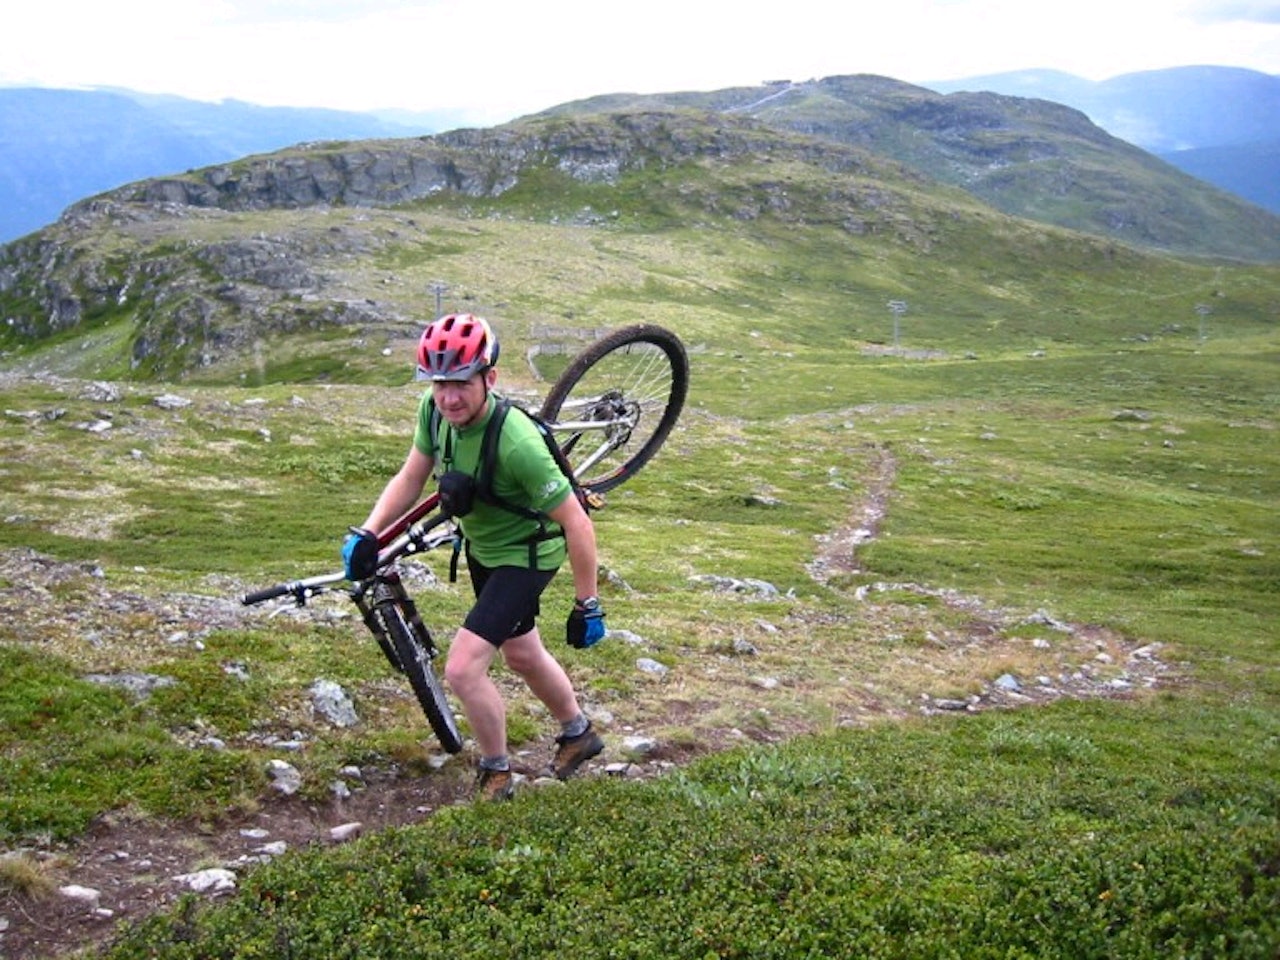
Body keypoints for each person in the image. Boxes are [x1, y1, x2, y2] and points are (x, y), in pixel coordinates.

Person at [341, 313, 606, 801]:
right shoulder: (433, 411)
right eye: (439, 383)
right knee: (522, 652)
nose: (449, 397)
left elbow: (577, 522)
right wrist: (369, 532)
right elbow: (411, 476)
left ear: (490, 378)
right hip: (484, 549)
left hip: (526, 555)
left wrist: (586, 603)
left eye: (461, 383)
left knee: (463, 669)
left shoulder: (517, 442)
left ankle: (496, 773)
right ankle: (578, 733)